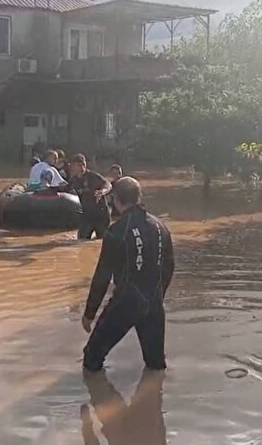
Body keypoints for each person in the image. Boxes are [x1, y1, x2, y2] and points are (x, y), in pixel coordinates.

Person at [81, 177, 175, 372]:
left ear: (115, 199)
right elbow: (168, 267)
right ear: (139, 197)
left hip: (126, 302)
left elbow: (102, 276)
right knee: (156, 365)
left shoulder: (117, 230)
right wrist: (157, 295)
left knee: (92, 358)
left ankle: (97, 398)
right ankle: (154, 399)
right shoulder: (160, 227)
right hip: (154, 302)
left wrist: (89, 313)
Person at [63, 154, 112, 240]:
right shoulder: (74, 180)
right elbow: (65, 189)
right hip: (87, 216)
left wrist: (102, 191)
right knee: (81, 240)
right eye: (77, 165)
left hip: (100, 215)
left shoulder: (92, 176)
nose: (82, 167)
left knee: (103, 241)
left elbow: (108, 184)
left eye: (83, 164)